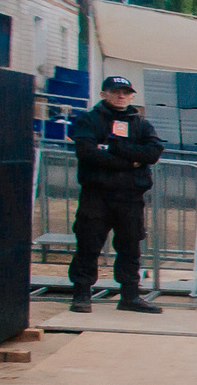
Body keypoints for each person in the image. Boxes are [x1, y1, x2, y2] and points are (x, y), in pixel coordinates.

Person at [67, 74, 165, 313]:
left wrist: (116, 149)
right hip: (96, 195)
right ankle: (81, 295)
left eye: (126, 92)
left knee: (130, 247)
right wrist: (131, 161)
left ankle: (130, 296)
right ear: (104, 94)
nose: (121, 96)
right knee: (88, 245)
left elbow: (153, 152)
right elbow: (88, 153)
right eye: (115, 91)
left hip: (130, 197)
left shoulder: (140, 123)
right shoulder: (89, 120)